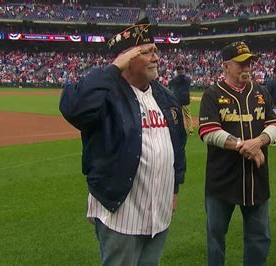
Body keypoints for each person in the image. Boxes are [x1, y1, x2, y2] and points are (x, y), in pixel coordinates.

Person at [59, 18, 187, 266]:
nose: (155, 57)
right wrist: (113, 69)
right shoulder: (107, 94)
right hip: (120, 210)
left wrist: (174, 188)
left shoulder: (166, 97)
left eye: (155, 51)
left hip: (158, 210)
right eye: (146, 52)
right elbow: (75, 108)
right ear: (126, 59)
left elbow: (177, 146)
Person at [198, 41, 276, 266]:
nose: (246, 68)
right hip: (222, 178)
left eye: (249, 63)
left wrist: (258, 142)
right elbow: (208, 131)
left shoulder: (261, 92)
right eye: (241, 64)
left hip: (256, 178)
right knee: (216, 236)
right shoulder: (212, 94)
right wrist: (244, 146)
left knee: (259, 236)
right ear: (226, 65)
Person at [169, 65, 194, 135]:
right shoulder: (187, 79)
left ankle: (179, 130)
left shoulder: (174, 80)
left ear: (177, 71)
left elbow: (170, 86)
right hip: (185, 99)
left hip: (177, 100)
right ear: (183, 70)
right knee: (188, 116)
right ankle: (190, 130)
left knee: (178, 116)